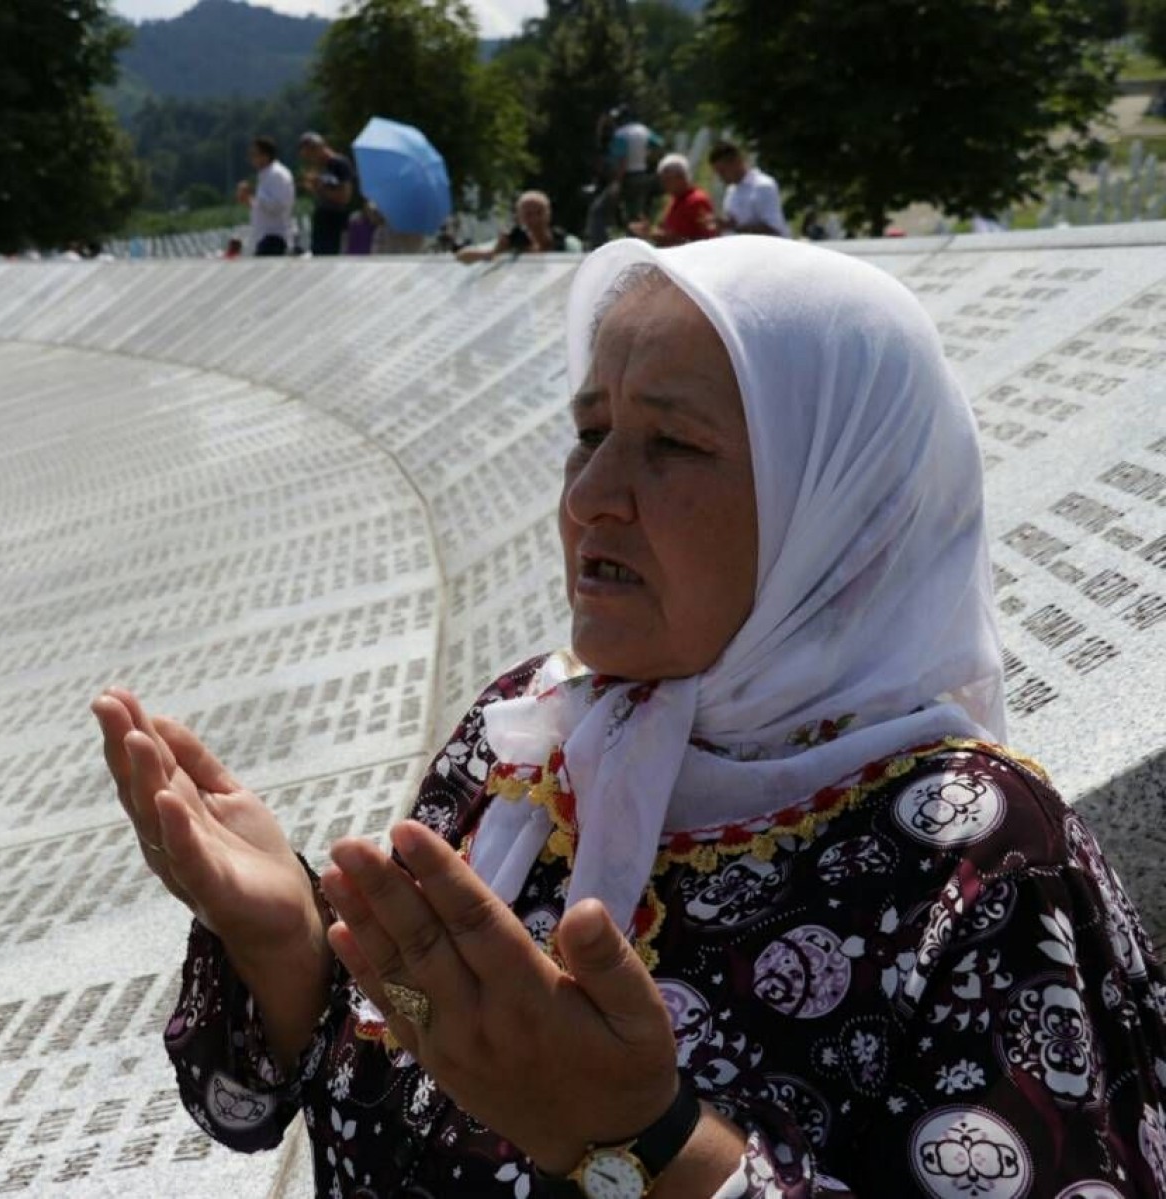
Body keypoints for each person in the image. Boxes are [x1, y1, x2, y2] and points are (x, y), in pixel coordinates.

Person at [91, 236, 1166, 1196]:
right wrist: (291, 954)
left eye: (674, 445)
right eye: (590, 430)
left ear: (840, 505)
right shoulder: (523, 731)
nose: (590, 493)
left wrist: (640, 1145)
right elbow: (353, 1078)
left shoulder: (973, 854)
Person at [456, 190, 570, 263]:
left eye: (539, 213)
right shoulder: (514, 239)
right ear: (519, 217)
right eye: (528, 214)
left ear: (548, 215)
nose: (535, 219)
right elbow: (462, 256)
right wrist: (493, 253)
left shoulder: (565, 241)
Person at [631, 154, 719, 247]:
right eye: (662, 180)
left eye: (667, 179)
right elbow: (669, 231)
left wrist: (653, 234)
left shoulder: (697, 201)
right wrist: (651, 232)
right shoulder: (674, 201)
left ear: (681, 177)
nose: (664, 184)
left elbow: (708, 238)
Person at [709, 142, 790, 237]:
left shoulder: (763, 187)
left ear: (736, 162)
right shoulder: (731, 191)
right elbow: (734, 224)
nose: (720, 177)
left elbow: (774, 230)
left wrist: (735, 227)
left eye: (722, 171)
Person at [298, 132, 356, 256]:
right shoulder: (320, 167)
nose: (310, 159)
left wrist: (319, 187)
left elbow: (345, 196)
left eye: (311, 153)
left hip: (335, 221)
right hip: (322, 220)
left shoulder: (339, 164)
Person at [237, 135, 295, 257]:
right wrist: (249, 200)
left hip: (274, 238)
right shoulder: (265, 175)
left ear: (265, 155)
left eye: (254, 154)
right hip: (263, 237)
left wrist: (253, 194)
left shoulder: (277, 175)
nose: (251, 158)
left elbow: (278, 206)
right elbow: (263, 207)